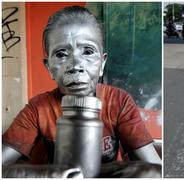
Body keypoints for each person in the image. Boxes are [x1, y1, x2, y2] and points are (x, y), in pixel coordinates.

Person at [2, 6, 161, 178]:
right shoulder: (38, 108)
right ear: (49, 68)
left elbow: (155, 169)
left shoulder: (119, 101)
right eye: (62, 54)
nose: (76, 66)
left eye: (88, 52)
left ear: (102, 63)